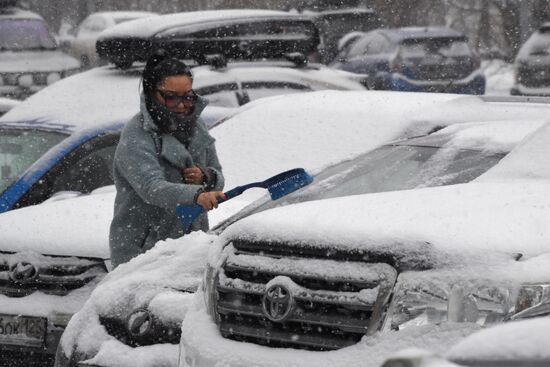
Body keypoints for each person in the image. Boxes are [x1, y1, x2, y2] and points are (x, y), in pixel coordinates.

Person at [109, 50, 225, 268]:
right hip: (143, 250)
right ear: (153, 94)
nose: (182, 105)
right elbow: (151, 188)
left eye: (188, 96)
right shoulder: (137, 134)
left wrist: (206, 176)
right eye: (171, 97)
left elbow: (217, 173)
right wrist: (197, 195)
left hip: (191, 246)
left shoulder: (196, 126)